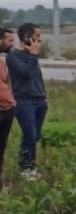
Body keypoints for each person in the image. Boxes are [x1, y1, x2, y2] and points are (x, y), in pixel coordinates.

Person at [7, 23, 47, 180]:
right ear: (27, 37)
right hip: (24, 102)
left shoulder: (31, 56)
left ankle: (26, 162)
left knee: (35, 136)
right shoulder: (13, 56)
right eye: (37, 36)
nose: (40, 40)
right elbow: (25, 73)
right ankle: (27, 168)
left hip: (40, 101)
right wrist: (33, 55)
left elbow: (37, 77)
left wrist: (44, 95)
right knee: (29, 134)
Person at [0, 27, 15, 189]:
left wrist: (11, 101)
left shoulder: (2, 62)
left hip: (7, 110)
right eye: (9, 40)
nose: (12, 44)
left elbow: (6, 84)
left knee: (1, 148)